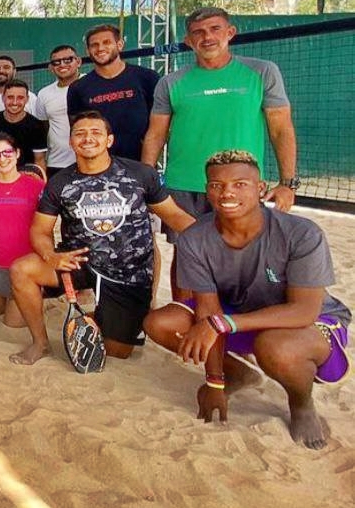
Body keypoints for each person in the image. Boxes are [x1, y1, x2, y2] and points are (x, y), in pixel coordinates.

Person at [143, 150, 350, 449]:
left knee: (274, 346)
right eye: (216, 185)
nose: (227, 192)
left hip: (310, 320)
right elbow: (208, 311)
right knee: (161, 322)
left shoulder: (302, 233)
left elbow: (303, 310)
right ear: (207, 189)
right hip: (237, 312)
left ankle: (301, 402)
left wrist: (222, 323)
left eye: (240, 184)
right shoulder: (193, 238)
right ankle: (238, 373)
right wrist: (215, 380)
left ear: (261, 188)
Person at [7, 111, 194, 365]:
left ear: (109, 140)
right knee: (22, 269)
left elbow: (175, 216)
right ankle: (40, 343)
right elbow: (39, 230)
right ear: (71, 142)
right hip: (79, 262)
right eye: (80, 133)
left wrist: (216, 240)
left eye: (96, 132)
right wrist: (51, 256)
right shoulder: (60, 183)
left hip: (127, 273)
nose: (87, 138)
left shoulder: (140, 175)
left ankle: (101, 315)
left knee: (117, 351)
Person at [143, 7, 299, 223]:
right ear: (188, 40)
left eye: (215, 28)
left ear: (230, 32)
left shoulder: (263, 72)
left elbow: (281, 130)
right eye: (198, 32)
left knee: (242, 254)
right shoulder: (169, 83)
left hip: (240, 185)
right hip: (184, 187)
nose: (207, 37)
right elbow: (155, 135)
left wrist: (287, 184)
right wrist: (146, 185)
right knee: (188, 255)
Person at [0, 134, 45, 331]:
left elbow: (46, 228)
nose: (2, 159)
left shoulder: (37, 187)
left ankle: (35, 296)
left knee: (12, 324)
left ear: (18, 153)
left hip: (25, 267)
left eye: (7, 152)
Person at [66, 24, 160, 161]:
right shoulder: (78, 88)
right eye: (94, 45)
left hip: (140, 165)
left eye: (107, 42)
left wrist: (147, 169)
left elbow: (158, 129)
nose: (100, 48)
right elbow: (78, 133)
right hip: (97, 167)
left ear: (120, 45)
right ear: (88, 51)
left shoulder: (147, 78)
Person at [35, 45, 81, 178]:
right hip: (57, 163)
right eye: (57, 62)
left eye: (68, 60)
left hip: (91, 160)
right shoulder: (44, 94)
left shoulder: (92, 85)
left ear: (78, 61)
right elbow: (44, 127)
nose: (62, 64)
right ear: (50, 68)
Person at [0, 79, 48, 169]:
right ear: (3, 98)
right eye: (10, 97)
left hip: (26, 177)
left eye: (20, 98)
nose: (14, 102)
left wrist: (40, 182)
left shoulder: (37, 126)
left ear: (27, 99)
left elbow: (39, 160)